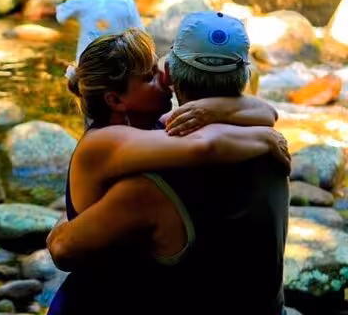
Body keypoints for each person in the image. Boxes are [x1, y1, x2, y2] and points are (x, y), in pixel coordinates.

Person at [46, 16, 289, 314]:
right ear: (115, 99)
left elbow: (266, 111)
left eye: (158, 70)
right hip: (92, 301)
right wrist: (264, 137)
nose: (162, 78)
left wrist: (213, 110)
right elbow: (204, 145)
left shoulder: (154, 132)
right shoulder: (104, 143)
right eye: (149, 77)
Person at [56, 0, 143, 62]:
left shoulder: (80, 0)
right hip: (119, 64)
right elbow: (140, 34)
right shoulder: (127, 2)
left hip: (88, 64)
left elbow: (59, 15)